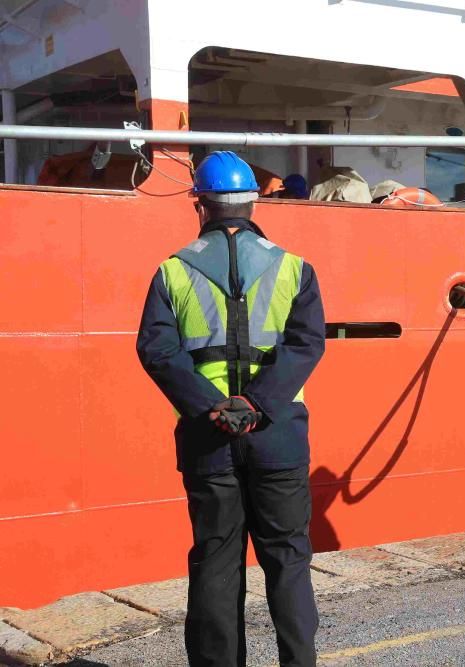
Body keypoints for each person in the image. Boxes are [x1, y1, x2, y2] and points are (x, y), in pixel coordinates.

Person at [136, 151, 325, 666]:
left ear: (200, 205)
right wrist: (256, 405)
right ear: (253, 202)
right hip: (278, 438)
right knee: (288, 562)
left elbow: (157, 351)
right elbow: (307, 345)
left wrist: (213, 408)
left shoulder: (171, 271)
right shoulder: (295, 269)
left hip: (207, 439)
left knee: (216, 565)